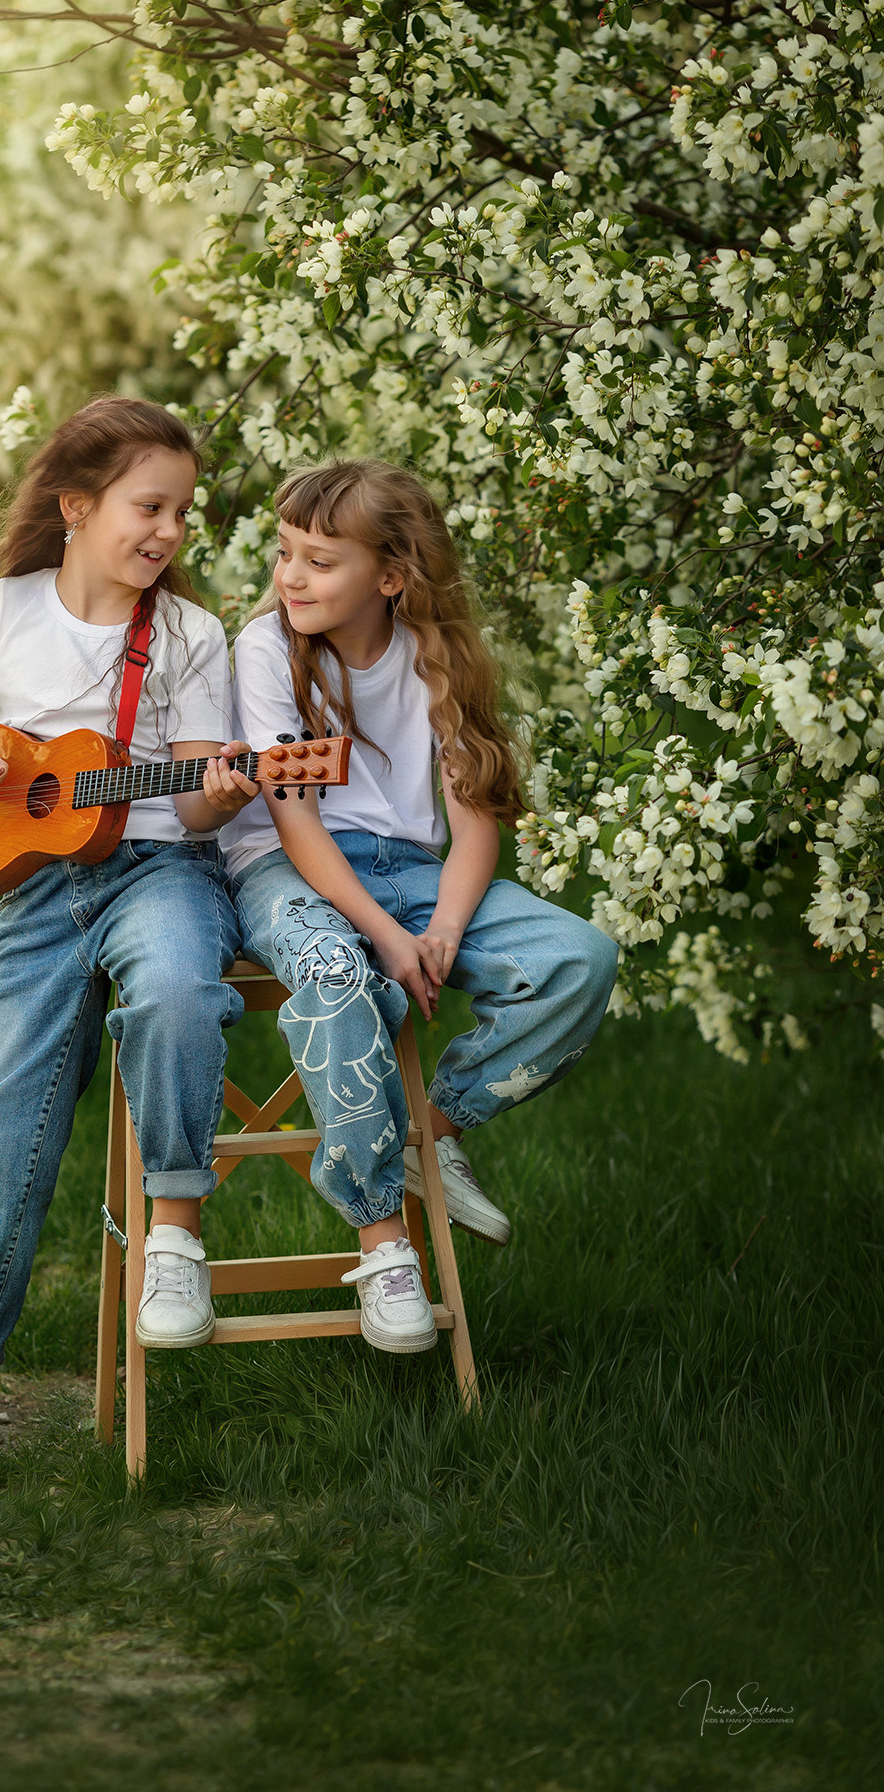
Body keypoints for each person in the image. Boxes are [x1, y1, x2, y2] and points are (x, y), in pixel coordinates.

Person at [0, 397, 259, 1485]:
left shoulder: (187, 635)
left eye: (183, 514)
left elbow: (187, 802)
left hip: (158, 873)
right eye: (149, 507)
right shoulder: (8, 610)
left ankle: (175, 1236)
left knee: (183, 988)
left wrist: (224, 796)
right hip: (36, 896)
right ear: (77, 505)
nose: (168, 533)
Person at [225, 460, 618, 1355]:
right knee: (336, 974)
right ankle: (383, 1243)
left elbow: (477, 810)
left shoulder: (435, 653)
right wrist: (386, 939)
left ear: (391, 576)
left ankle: (426, 1131)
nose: (290, 576)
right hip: (290, 871)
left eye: (320, 562)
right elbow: (294, 823)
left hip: (413, 869)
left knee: (579, 962)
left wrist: (438, 926)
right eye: (286, 553)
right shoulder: (268, 649)